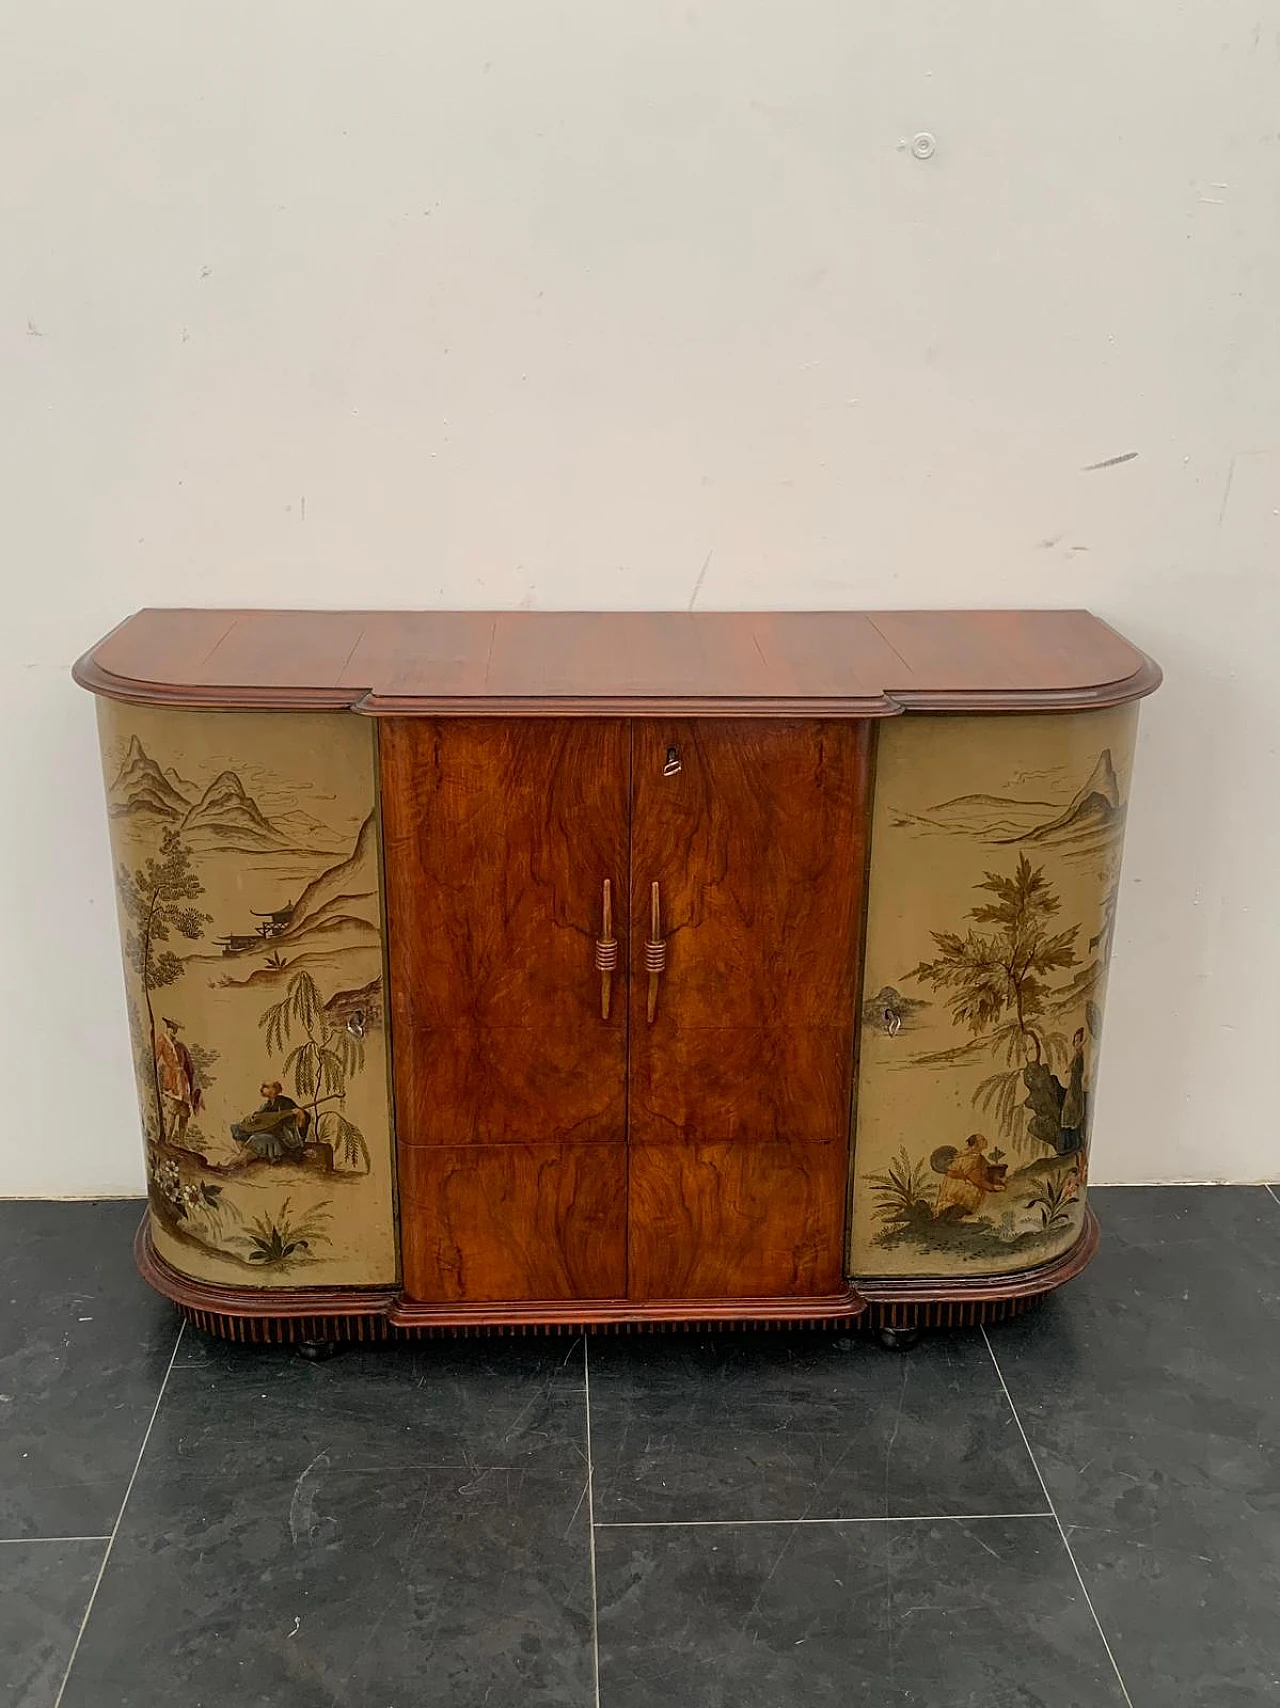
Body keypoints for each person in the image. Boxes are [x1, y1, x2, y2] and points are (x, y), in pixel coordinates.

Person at [230, 1081, 311, 1161]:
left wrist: (298, 1113)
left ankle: (241, 1159)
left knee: (256, 1138)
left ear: (274, 1090)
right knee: (236, 1128)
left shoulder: (285, 1102)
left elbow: (300, 1120)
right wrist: (253, 1118)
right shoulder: (267, 1105)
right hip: (268, 1131)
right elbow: (261, 1119)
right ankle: (245, 1156)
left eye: (266, 1087)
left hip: (281, 1139)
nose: (262, 1089)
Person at [934, 1134, 1008, 1219]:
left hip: (958, 1200)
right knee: (953, 1218)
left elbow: (987, 1171)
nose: (986, 1140)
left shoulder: (978, 1157)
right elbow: (976, 1178)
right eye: (982, 1139)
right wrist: (992, 1187)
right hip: (957, 1199)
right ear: (976, 1144)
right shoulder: (971, 1157)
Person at [155, 1016, 201, 1146]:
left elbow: (189, 1066)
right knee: (172, 1110)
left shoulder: (181, 1046)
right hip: (172, 1079)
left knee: (184, 1112)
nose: (174, 1031)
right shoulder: (162, 1041)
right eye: (172, 1028)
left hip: (183, 1081)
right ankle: (168, 1139)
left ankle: (182, 1140)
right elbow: (155, 1058)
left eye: (175, 1029)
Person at [1021, 1035, 1066, 1149]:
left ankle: (1061, 1144)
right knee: (1033, 1126)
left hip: (1052, 1112)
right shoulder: (1029, 1073)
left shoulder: (1045, 1075)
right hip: (1045, 1114)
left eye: (1031, 1048)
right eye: (1026, 1049)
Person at [1058, 1028, 1088, 1155]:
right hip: (1072, 1087)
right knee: (1067, 1113)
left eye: (1078, 1041)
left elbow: (1077, 1070)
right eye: (1075, 1041)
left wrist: (1070, 1069)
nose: (1076, 1044)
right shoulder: (1076, 1056)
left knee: (1072, 1113)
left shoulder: (1080, 1056)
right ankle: (1067, 1146)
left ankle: (1073, 1145)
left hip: (1075, 1088)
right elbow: (1069, 1068)